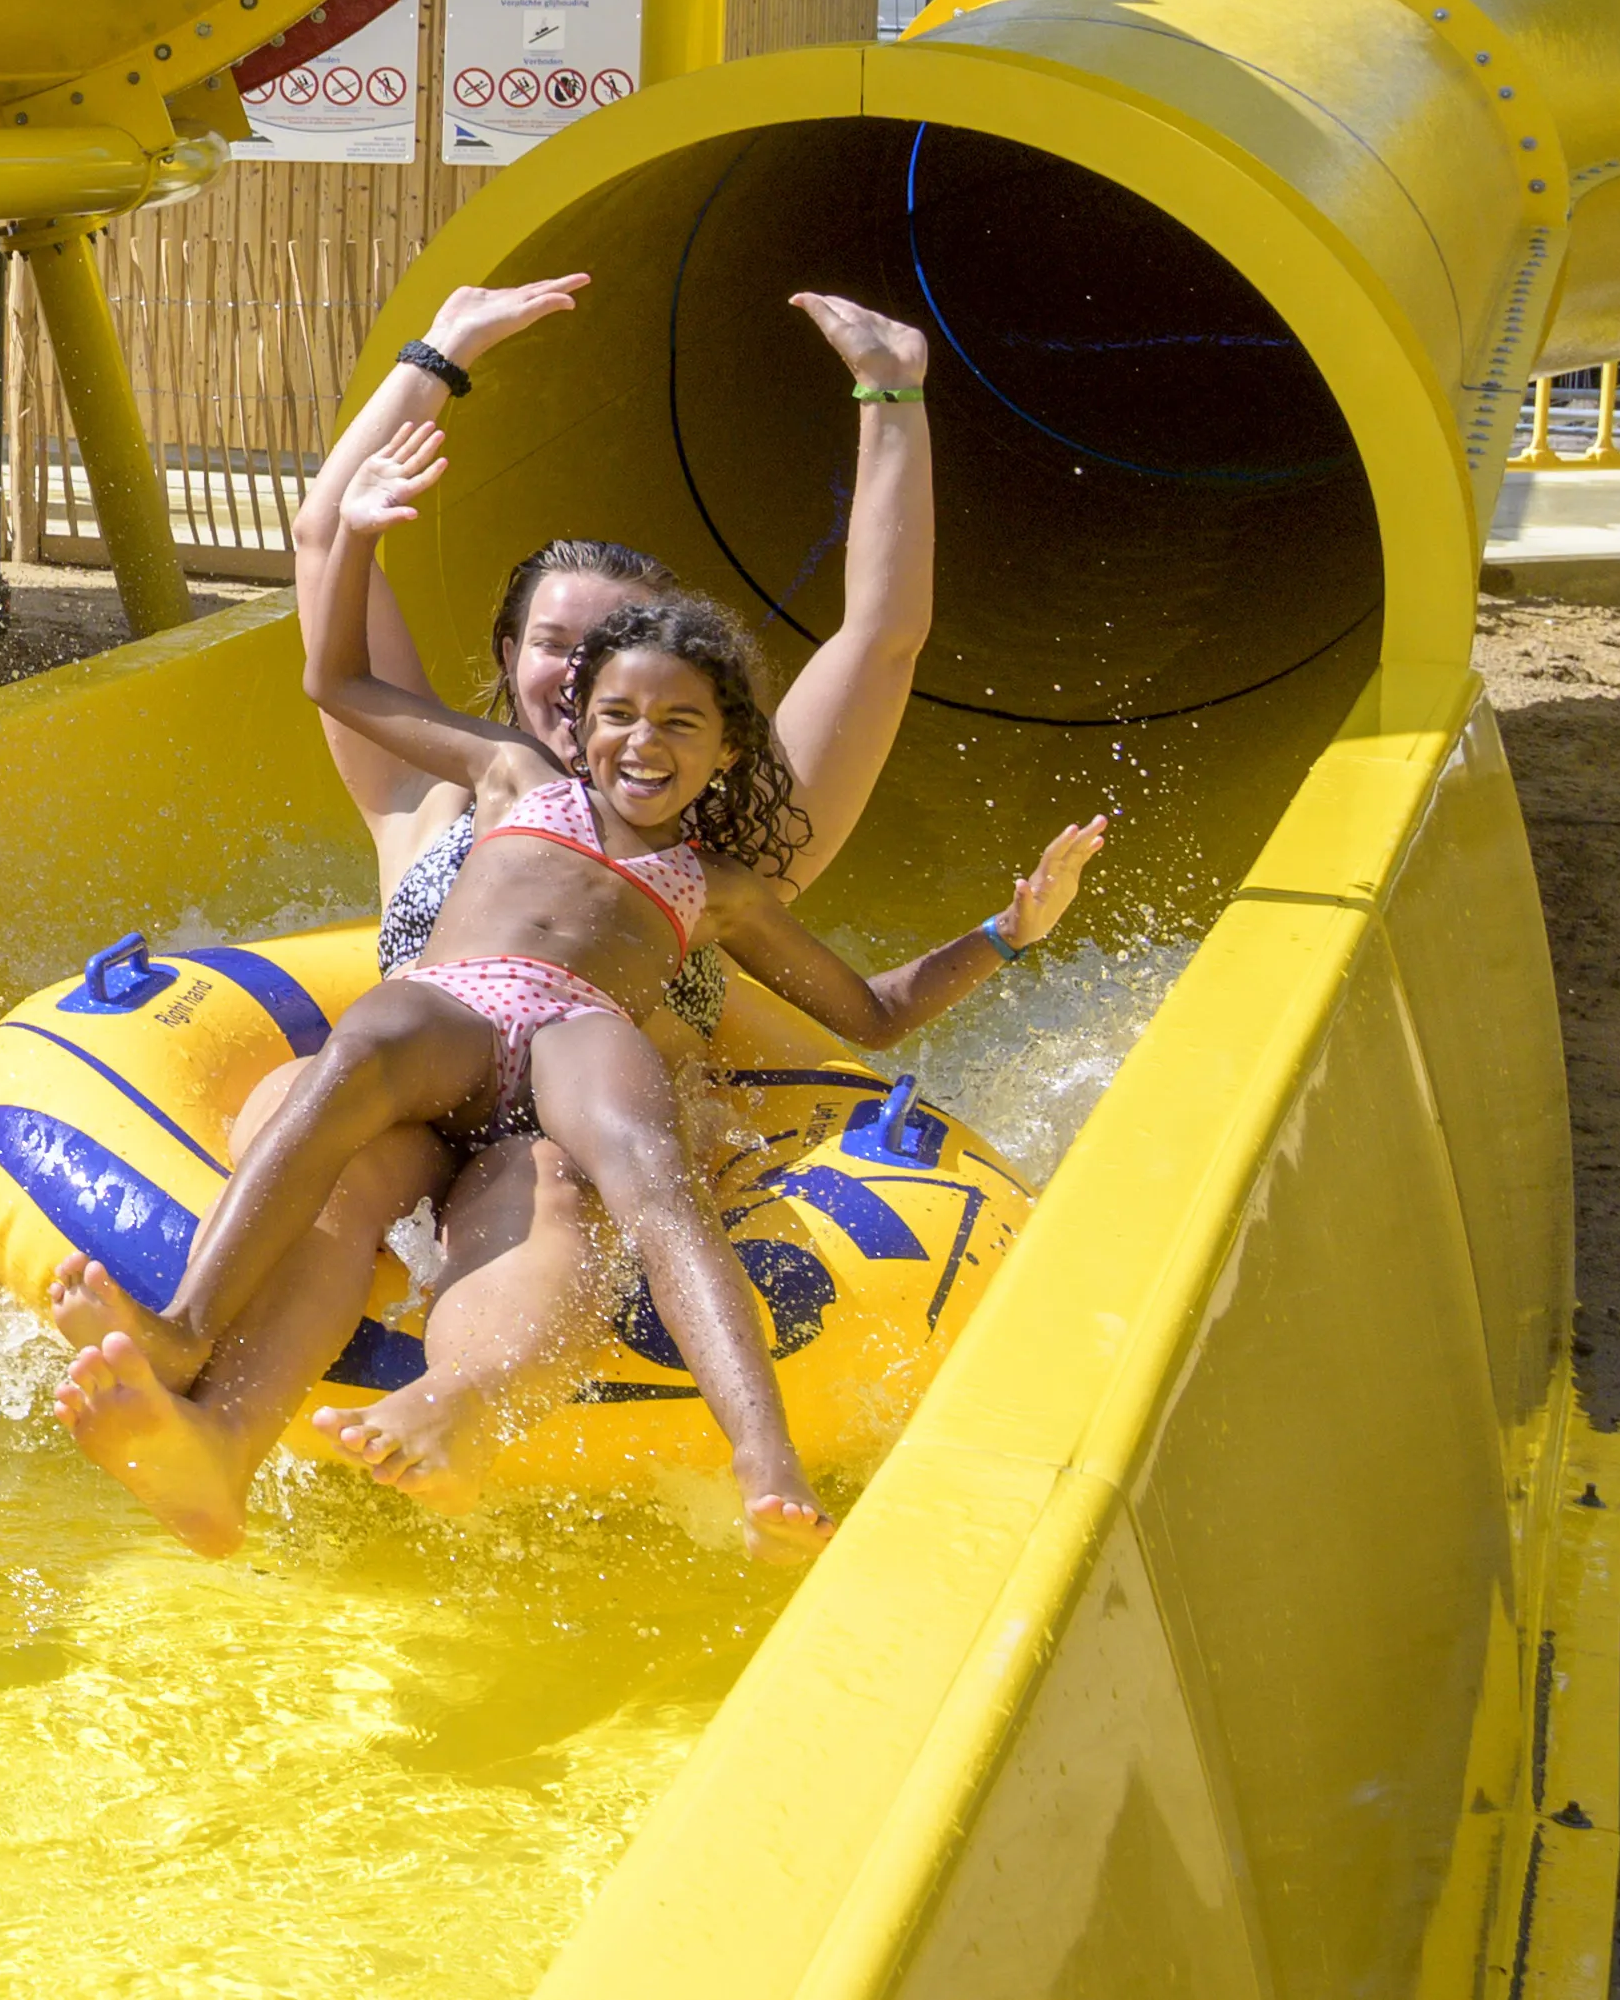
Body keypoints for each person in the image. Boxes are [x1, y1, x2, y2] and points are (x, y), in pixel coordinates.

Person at [61, 424, 1106, 1559]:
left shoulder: (723, 879)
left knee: (615, 1183)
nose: (629, 733)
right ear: (530, 672)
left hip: (571, 1063)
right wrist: (368, 508)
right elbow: (333, 665)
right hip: (438, 1038)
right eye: (597, 692)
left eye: (675, 721)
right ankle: (206, 1411)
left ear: (724, 748)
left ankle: (710, 1453)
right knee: (347, 1100)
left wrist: (1009, 931)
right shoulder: (487, 777)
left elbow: (870, 1011)